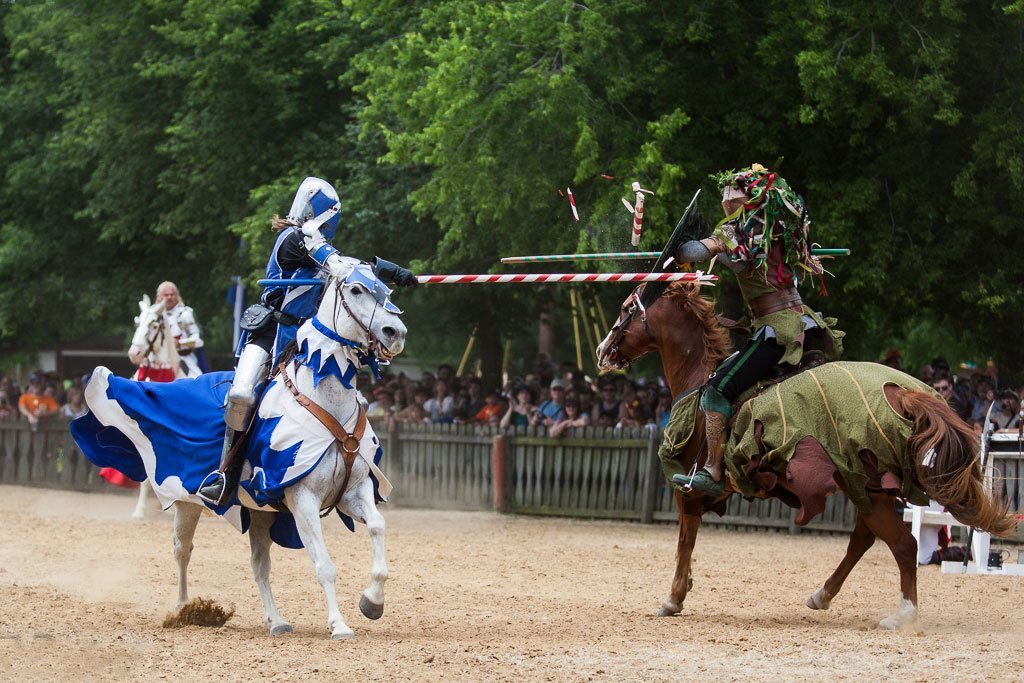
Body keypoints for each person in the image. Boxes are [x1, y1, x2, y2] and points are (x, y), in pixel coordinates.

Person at [198, 176, 417, 505]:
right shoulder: (293, 239)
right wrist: (383, 269)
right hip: (272, 332)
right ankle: (225, 474)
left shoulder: (317, 247)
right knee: (242, 394)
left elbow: (347, 266)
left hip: (308, 339)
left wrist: (387, 271)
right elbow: (336, 263)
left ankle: (347, 478)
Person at [672, 163, 844, 495]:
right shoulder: (780, 228)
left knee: (716, 389)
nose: (725, 194)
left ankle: (713, 470)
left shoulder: (735, 230)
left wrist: (684, 242)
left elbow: (693, 252)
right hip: (805, 322)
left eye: (729, 189)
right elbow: (742, 263)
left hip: (776, 329)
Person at [156, 281, 209, 373]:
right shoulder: (152, 315)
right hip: (157, 361)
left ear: (177, 296)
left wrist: (179, 343)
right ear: (159, 297)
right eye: (166, 295)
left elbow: (198, 341)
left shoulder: (185, 314)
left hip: (183, 360)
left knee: (196, 382)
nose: (169, 297)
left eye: (172, 294)